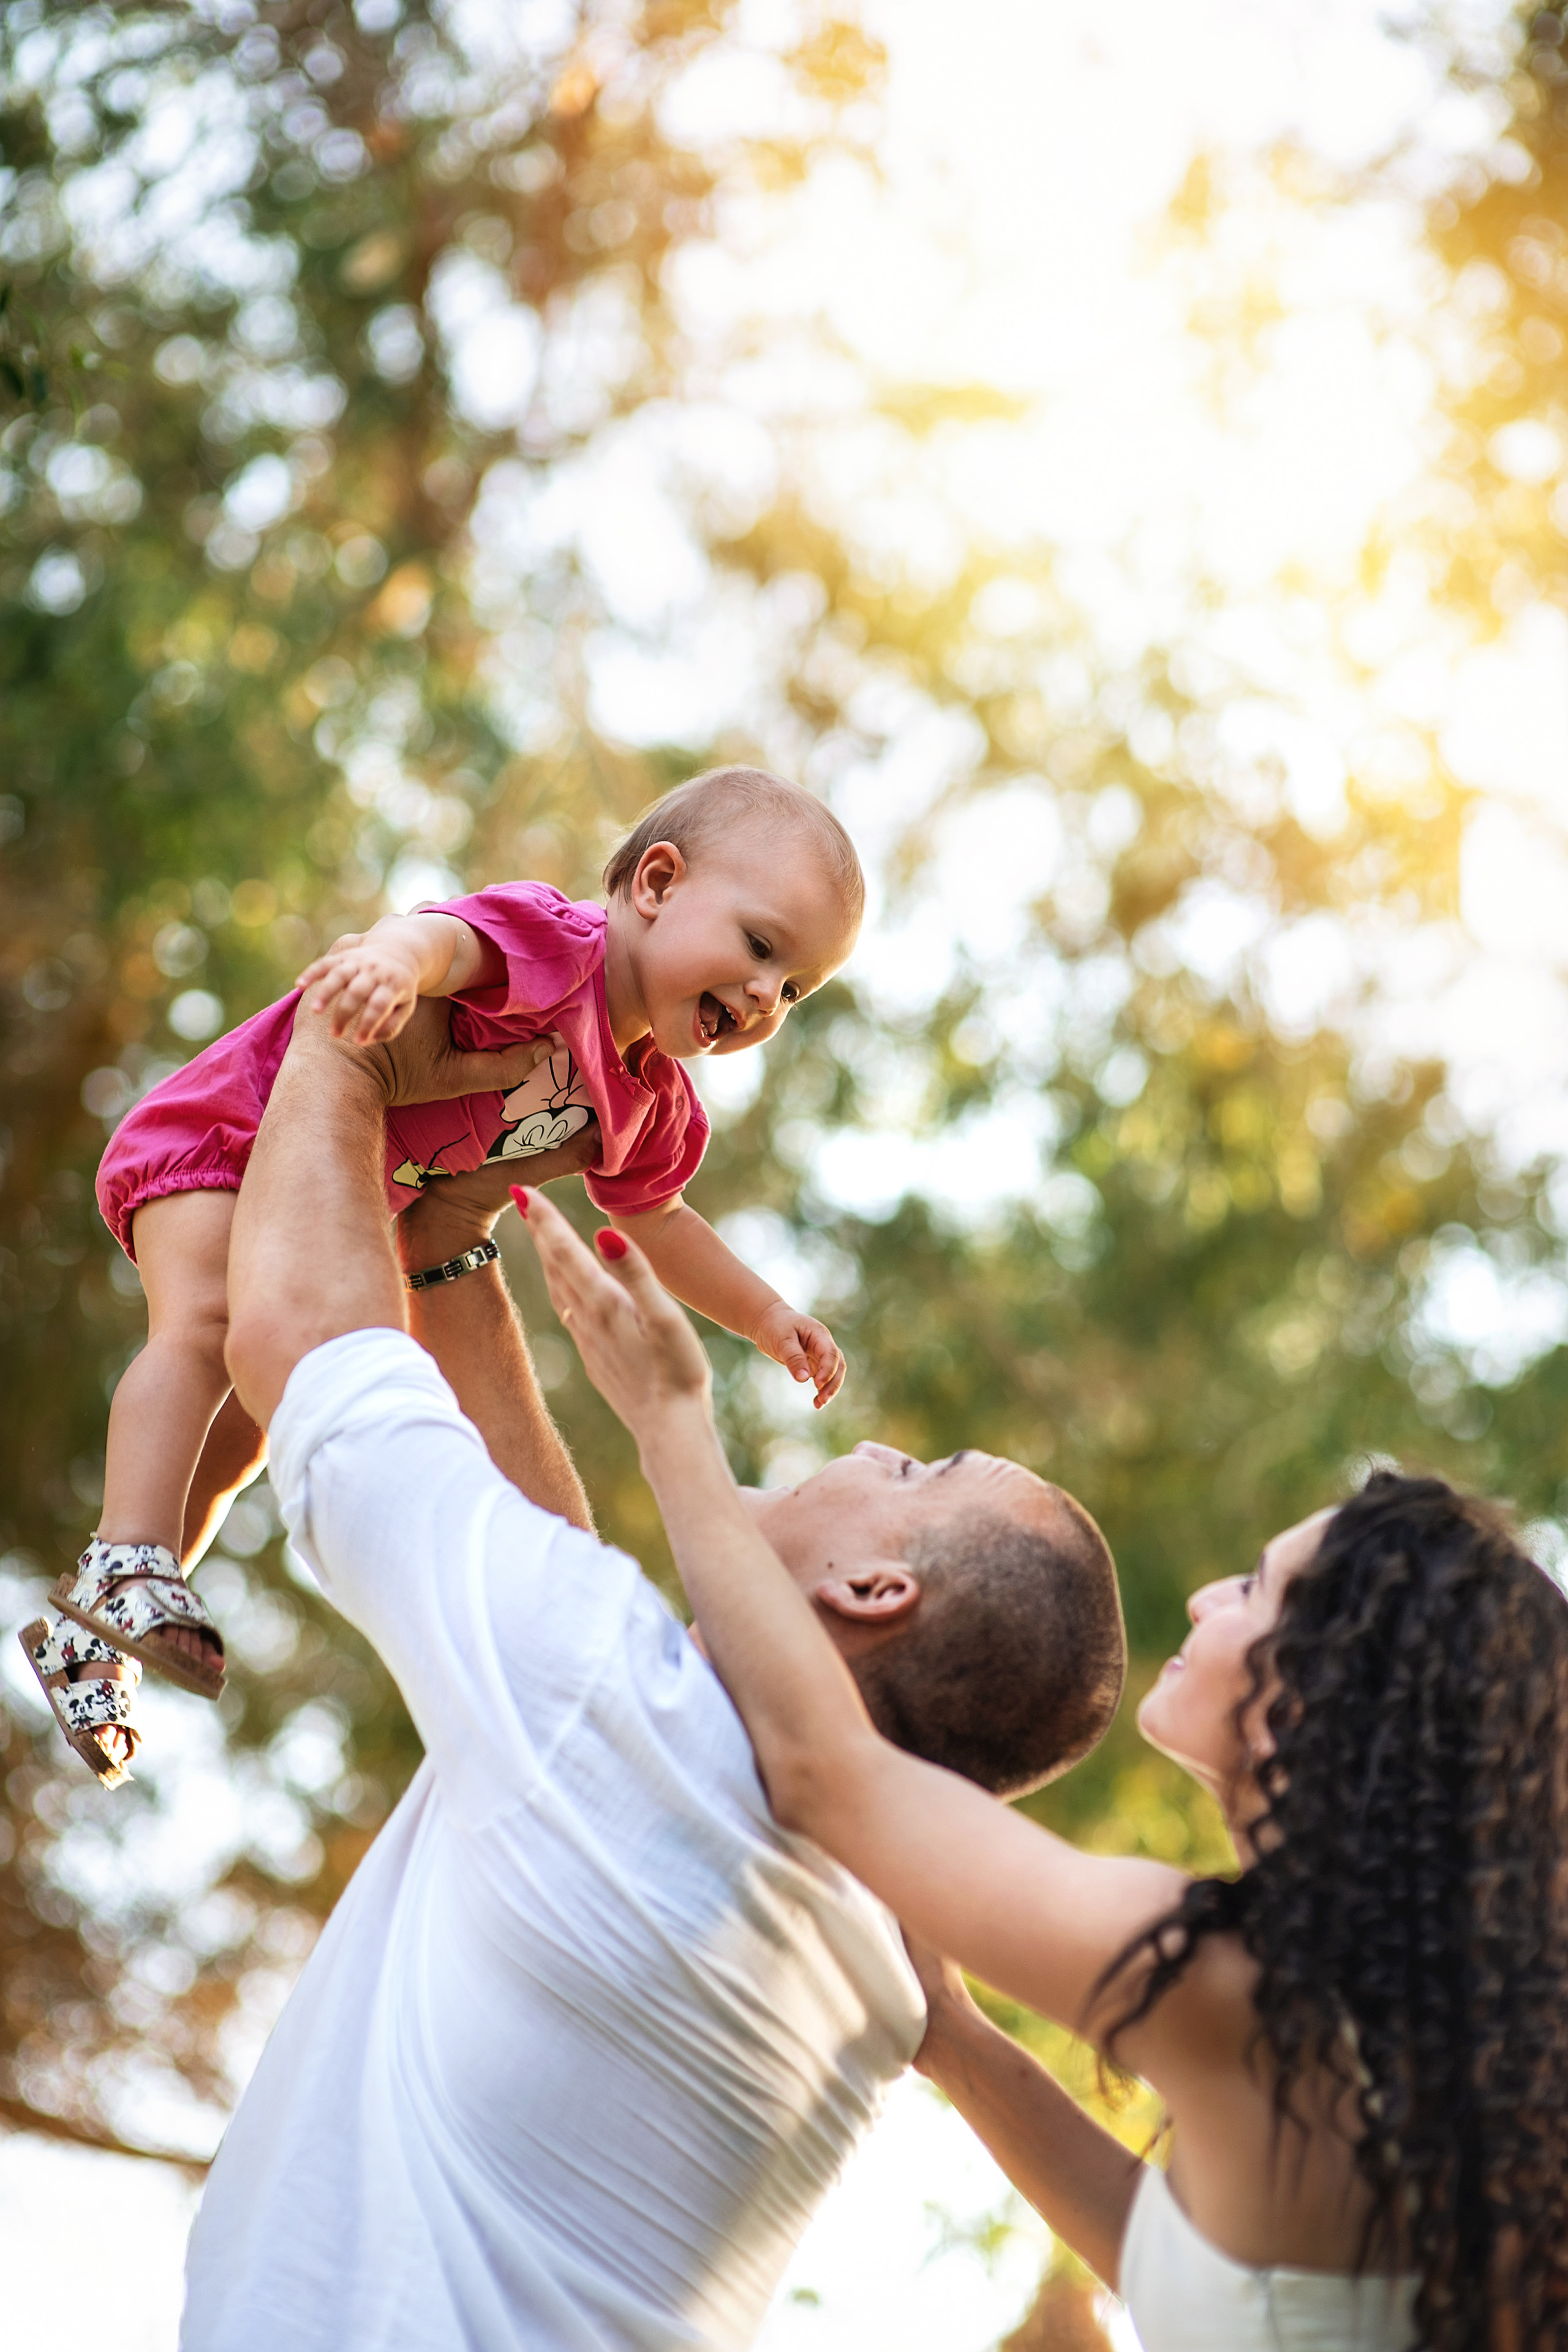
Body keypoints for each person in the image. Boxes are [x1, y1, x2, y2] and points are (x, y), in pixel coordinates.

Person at [175, 1000, 1127, 2350]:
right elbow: (548, 1571)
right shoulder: (860, 1962)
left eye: (911, 1476)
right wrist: (448, 1251)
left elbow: (304, 1348)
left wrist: (345, 1041)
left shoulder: (610, 1720)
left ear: (871, 1592)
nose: (864, 1453)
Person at [520, 1190, 1568, 2352]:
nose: (1204, 1599)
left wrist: (671, 1424)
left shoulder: (1238, 1985)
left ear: (1313, 1699)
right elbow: (1168, 2262)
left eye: (1256, 1593)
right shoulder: (1377, 2046)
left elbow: (827, 1772)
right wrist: (960, 2044)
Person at [25, 766, 861, 1789]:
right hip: (226, 1133)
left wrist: (768, 1315)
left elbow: (661, 1221)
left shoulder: (651, 1104)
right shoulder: (562, 948)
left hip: (323, 1208)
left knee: (251, 1423)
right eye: (762, 947)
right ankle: (130, 1557)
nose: (767, 995)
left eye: (796, 989)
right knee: (205, 1328)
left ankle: (99, 1631)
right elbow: (444, 939)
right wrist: (387, 965)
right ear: (655, 883)